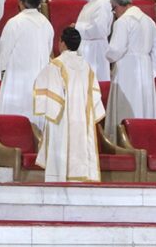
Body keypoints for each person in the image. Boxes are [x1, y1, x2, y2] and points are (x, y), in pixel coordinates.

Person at [33, 27, 105, 182]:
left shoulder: (56, 65)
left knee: (61, 152)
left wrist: (50, 111)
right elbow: (95, 95)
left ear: (62, 43)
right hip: (82, 120)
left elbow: (51, 95)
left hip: (62, 119)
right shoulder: (86, 66)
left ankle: (59, 179)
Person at [104, 0, 156, 142]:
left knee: (128, 104)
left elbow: (116, 49)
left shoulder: (123, 22)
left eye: (114, 9)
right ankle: (145, 138)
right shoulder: (148, 21)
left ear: (118, 6)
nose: (114, 13)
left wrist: (108, 57)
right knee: (144, 105)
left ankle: (124, 140)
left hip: (127, 69)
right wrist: (151, 72)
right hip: (145, 68)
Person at [0, 0, 53, 130]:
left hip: (17, 76)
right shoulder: (46, 23)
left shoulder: (15, 22)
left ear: (20, 3)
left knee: (15, 111)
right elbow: (49, 48)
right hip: (41, 76)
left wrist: (1, 70)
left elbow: (4, 50)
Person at [70, 0, 113, 81]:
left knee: (94, 81)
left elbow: (99, 29)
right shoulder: (92, 3)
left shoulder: (103, 3)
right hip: (87, 47)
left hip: (95, 50)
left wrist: (77, 27)